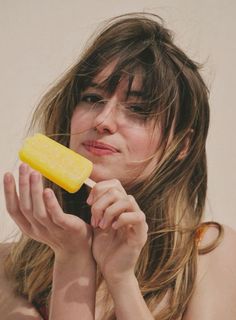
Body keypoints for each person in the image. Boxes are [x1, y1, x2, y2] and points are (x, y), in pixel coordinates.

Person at [1, 12, 236, 320]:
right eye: (92, 98)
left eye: (138, 109)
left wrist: (122, 280)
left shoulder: (208, 254)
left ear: (182, 145)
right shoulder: (11, 267)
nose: (103, 120)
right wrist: (72, 256)